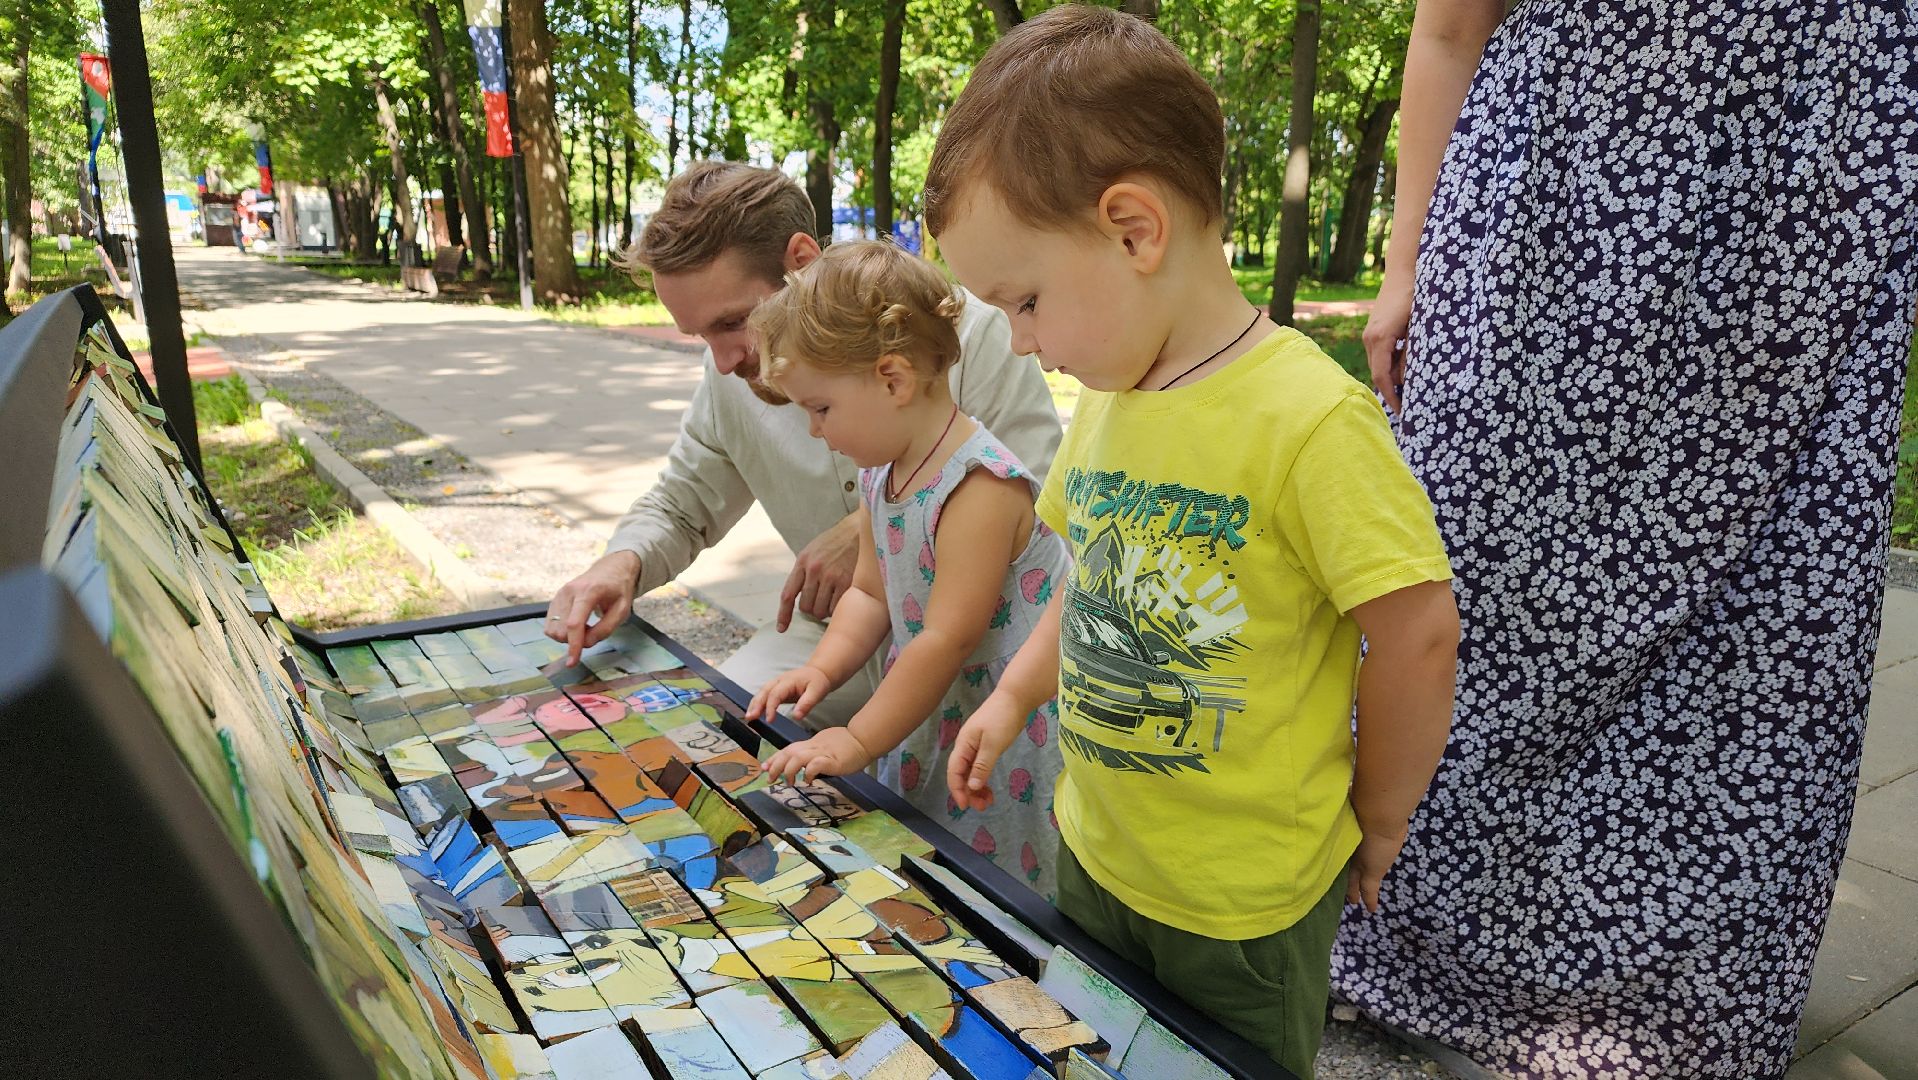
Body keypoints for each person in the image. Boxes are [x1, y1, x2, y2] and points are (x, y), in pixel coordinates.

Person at [1331, 2, 1918, 1077]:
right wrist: (1405, 258)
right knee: (1473, 595)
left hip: (1812, 211)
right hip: (1561, 204)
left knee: (1762, 628)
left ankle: (1671, 1019)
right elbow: (1451, 25)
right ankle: (1403, 949)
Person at [928, 8, 1462, 1075]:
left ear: (1133, 230)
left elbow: (1415, 632)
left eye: (1024, 303)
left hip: (1243, 904)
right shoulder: (1113, 397)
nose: (1022, 343)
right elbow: (1090, 594)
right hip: (1095, 854)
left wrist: (1385, 809)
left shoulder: (1309, 419)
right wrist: (1012, 695)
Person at [544, 162, 1062, 729]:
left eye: (732, 323)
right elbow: (682, 502)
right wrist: (622, 564)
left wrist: (866, 524)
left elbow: (1045, 508)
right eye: (699, 336)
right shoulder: (728, 378)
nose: (722, 360)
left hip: (994, 652)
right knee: (718, 734)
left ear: (801, 261)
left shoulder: (970, 335)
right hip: (833, 636)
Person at [741, 240, 1070, 899]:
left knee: (998, 883)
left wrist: (857, 738)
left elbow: (946, 639)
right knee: (928, 862)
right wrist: (823, 669)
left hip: (1000, 729)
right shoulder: (882, 474)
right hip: (935, 702)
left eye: (821, 408)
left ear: (892, 379)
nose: (814, 431)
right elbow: (869, 592)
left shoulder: (977, 486)